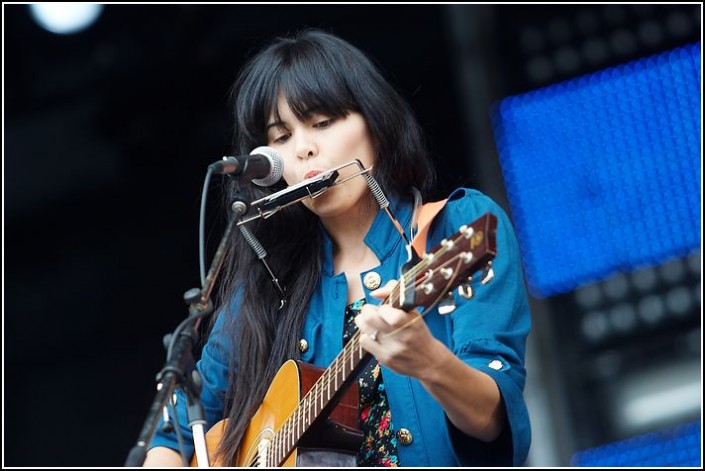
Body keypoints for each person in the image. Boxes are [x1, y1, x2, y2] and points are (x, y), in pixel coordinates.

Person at [144, 28, 531, 467]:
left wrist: (431, 363)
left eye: (322, 123)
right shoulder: (264, 290)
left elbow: (494, 420)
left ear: (375, 123)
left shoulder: (454, 228)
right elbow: (170, 433)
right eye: (281, 137)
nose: (305, 149)